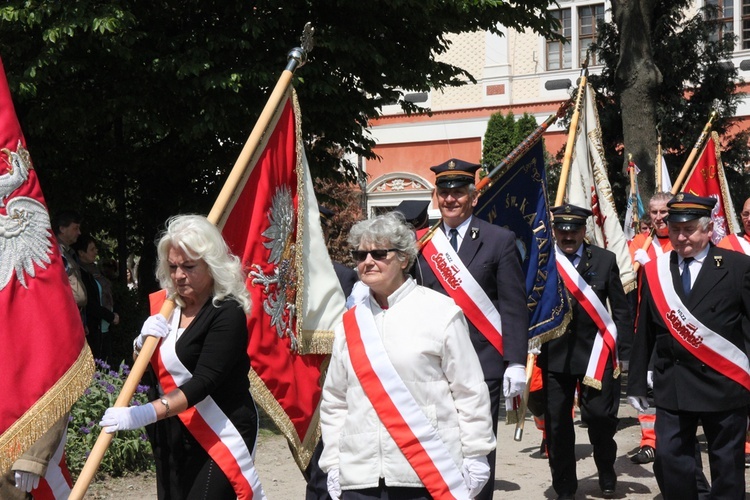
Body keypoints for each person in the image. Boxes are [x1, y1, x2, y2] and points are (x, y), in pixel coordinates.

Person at [319, 212, 496, 499]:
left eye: (378, 253)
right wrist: (334, 464)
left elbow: (469, 391)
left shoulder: (441, 312)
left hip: (423, 473)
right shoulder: (348, 324)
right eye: (360, 254)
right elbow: (335, 401)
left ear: (403, 259)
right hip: (360, 476)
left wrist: (476, 454)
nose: (367, 261)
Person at [99, 215, 266, 499]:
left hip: (218, 432)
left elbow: (204, 382)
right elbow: (148, 364)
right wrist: (140, 343)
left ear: (212, 267)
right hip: (172, 434)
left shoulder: (227, 312)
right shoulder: (167, 306)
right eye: (173, 266)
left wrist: (143, 413)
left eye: (189, 267)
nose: (178, 275)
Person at [413, 158, 529, 500]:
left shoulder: (498, 240)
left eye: (458, 193)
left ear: (473, 197)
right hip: (432, 363)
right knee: (434, 442)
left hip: (483, 362)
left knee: (476, 447)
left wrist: (516, 361)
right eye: (444, 193)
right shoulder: (421, 243)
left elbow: (512, 305)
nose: (450, 199)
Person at [627, 193, 750, 499]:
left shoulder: (737, 267)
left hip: (724, 383)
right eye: (676, 228)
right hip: (674, 384)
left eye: (690, 229)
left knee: (727, 467)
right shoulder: (656, 270)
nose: (681, 236)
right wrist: (636, 382)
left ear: (708, 230)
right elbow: (644, 330)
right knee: (670, 460)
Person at [538, 204, 632, 499]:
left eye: (574, 230)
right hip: (554, 354)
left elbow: (620, 308)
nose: (568, 235)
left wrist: (625, 352)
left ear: (584, 231)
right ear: (554, 231)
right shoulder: (544, 261)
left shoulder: (604, 260)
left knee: (600, 417)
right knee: (557, 425)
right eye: (562, 230)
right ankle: (565, 484)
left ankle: (606, 466)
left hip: (596, 353)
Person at [73, 234, 119, 361]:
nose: (96, 251)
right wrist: (110, 316)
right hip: (93, 330)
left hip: (105, 328)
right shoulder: (81, 274)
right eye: (92, 249)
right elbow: (90, 304)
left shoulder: (96, 271)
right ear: (81, 253)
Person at [52, 210, 87, 310]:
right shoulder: (55, 253)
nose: (79, 232)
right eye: (75, 228)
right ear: (62, 229)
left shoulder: (69, 253)